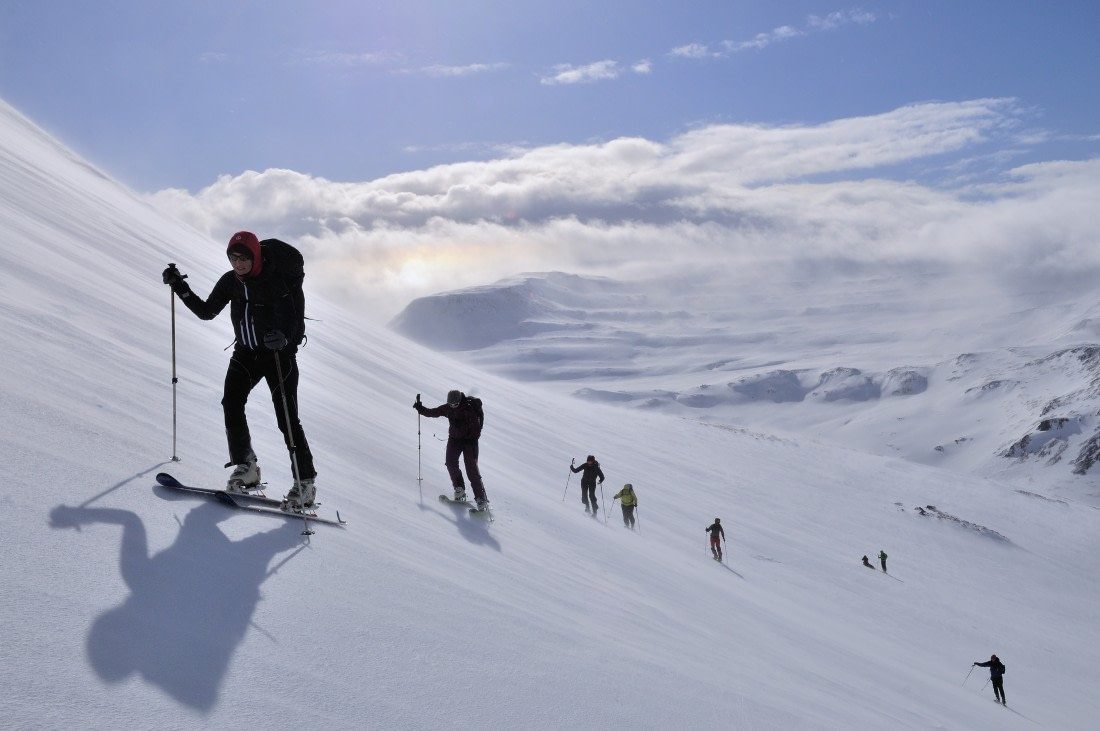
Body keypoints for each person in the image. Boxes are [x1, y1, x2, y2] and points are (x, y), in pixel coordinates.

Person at [162, 231, 317, 511]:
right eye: (233, 258)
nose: (239, 263)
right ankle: (247, 467)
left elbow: (294, 320)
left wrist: (284, 338)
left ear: (255, 255)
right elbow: (207, 311)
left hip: (278, 357)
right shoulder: (230, 281)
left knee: (287, 418)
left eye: (243, 257)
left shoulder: (275, 281)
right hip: (245, 353)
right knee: (231, 402)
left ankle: (305, 483)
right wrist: (180, 289)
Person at [415, 390, 490, 510]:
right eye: (450, 404)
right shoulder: (448, 408)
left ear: (460, 402)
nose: (452, 406)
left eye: (455, 404)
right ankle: (459, 489)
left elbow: (477, 429)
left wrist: (471, 440)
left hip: (469, 442)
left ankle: (481, 499)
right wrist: (421, 409)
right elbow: (434, 412)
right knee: (450, 463)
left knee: (471, 470)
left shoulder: (469, 409)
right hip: (454, 440)